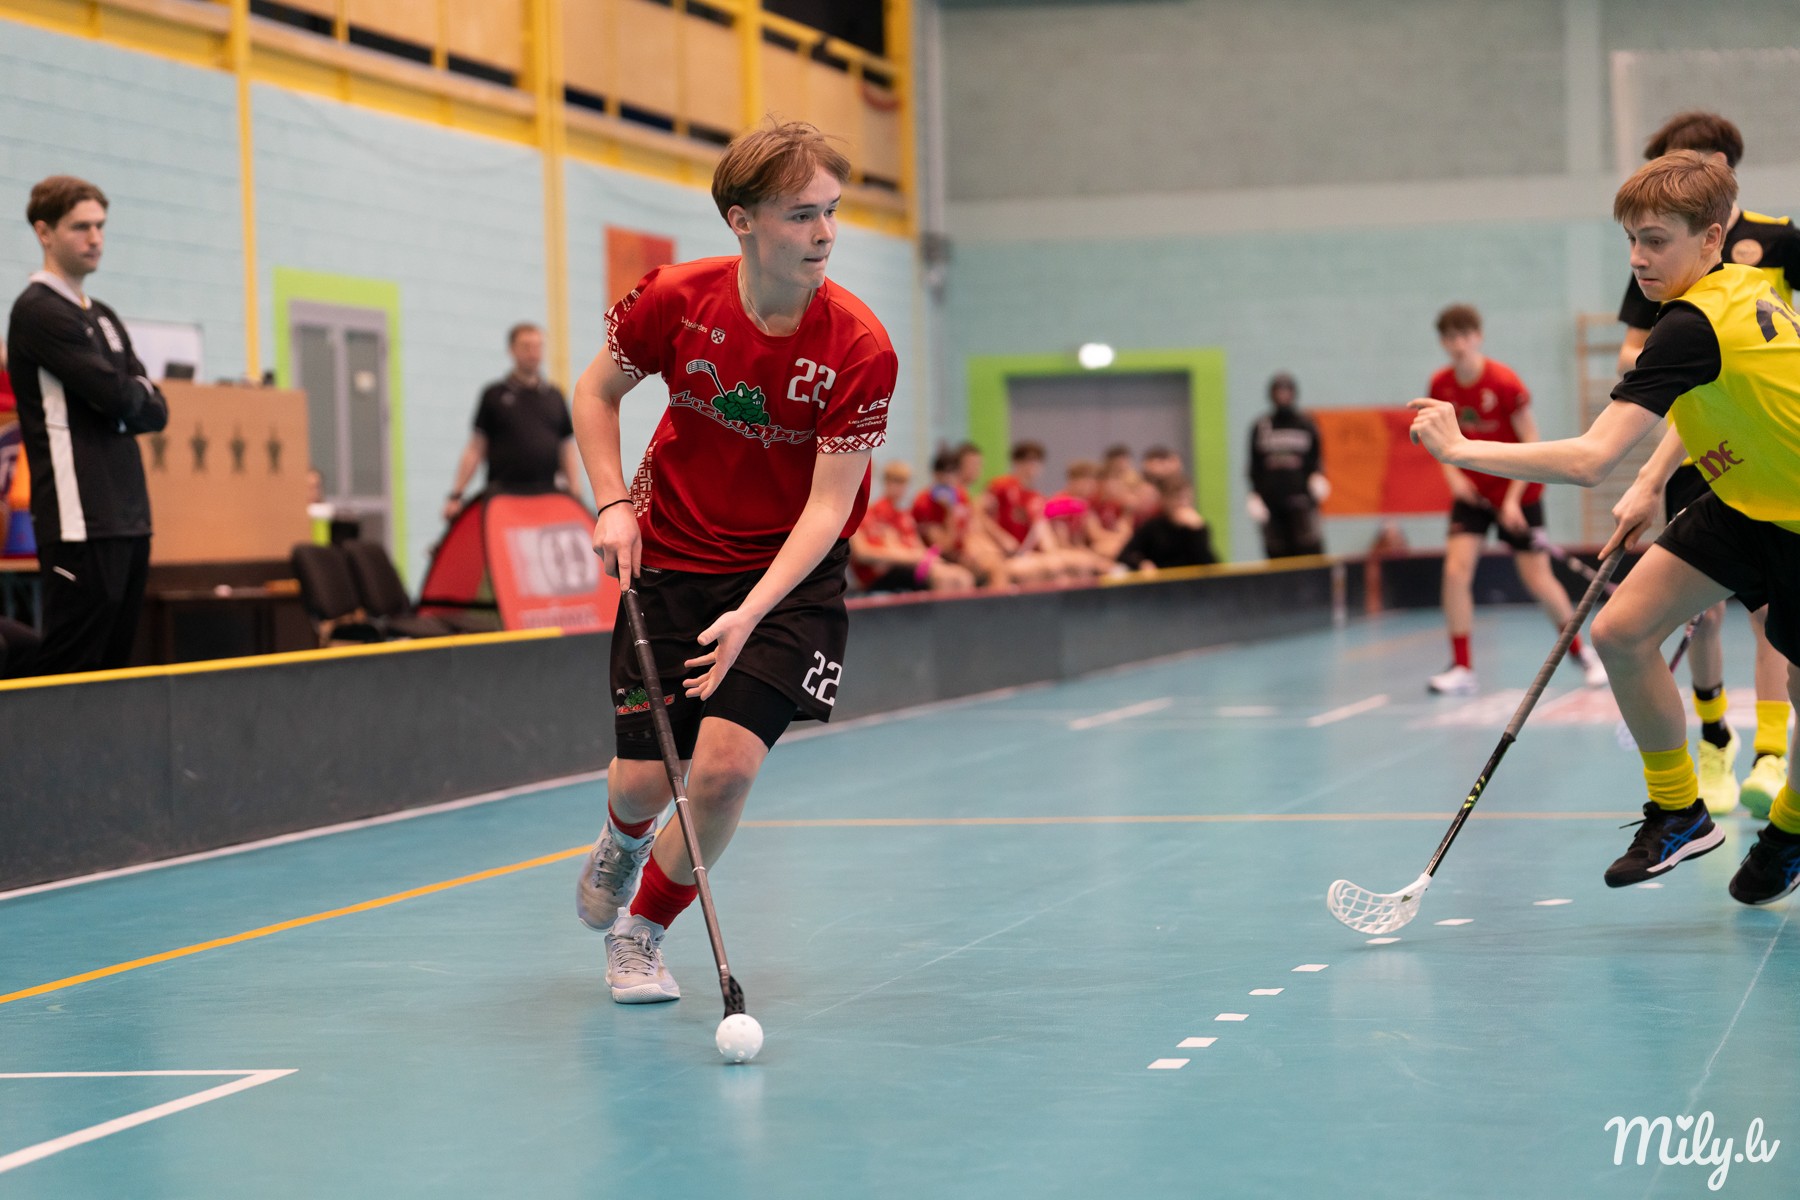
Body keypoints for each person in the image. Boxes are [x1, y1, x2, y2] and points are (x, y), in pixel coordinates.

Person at [1408, 150, 1800, 903]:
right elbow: (1714, 397)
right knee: (1621, 632)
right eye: (1631, 240)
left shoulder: (1691, 324)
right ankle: (1681, 812)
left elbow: (1590, 460)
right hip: (1742, 504)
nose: (1637, 259)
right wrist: (1651, 482)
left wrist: (1460, 450)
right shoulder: (1741, 288)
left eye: (1656, 241)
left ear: (1711, 239)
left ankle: (1790, 832)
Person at [568, 121, 897, 1003]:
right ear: (741, 220)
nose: (825, 234)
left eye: (832, 211)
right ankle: (623, 836)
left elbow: (829, 508)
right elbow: (595, 392)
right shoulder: (676, 300)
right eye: (802, 215)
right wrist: (612, 502)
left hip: (789, 578)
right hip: (674, 557)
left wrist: (754, 612)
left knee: (721, 773)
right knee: (645, 781)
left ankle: (642, 932)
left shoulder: (860, 347)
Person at [1613, 112, 1798, 817]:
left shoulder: (1774, 242)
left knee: (1770, 617)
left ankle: (1773, 754)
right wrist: (1650, 475)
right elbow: (1640, 351)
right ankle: (1714, 741)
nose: (1641, 252)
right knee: (1699, 617)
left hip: (1771, 444)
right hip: (1699, 434)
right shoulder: (1657, 259)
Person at [5, 175, 168, 676]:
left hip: (130, 517)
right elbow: (120, 394)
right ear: (44, 232)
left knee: (114, 670)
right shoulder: (38, 312)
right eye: (81, 227)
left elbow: (156, 410)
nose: (95, 238)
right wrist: (129, 396)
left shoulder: (105, 317)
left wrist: (129, 397)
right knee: (71, 670)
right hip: (79, 520)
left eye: (100, 226)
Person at [1422, 303, 1606, 694]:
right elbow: (1437, 441)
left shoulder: (1504, 383)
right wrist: (1453, 478)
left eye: (1464, 335)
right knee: (1455, 572)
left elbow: (1531, 441)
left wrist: (1510, 501)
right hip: (1473, 494)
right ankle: (1462, 667)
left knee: (1537, 578)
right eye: (1450, 337)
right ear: (1443, 342)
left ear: (1477, 337)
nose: (1458, 344)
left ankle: (1582, 654)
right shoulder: (1440, 386)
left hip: (1518, 490)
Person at [443, 322, 584, 522]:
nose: (533, 353)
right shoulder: (493, 395)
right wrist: (456, 495)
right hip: (504, 497)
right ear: (512, 350)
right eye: (526, 346)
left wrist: (575, 493)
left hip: (547, 496)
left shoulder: (554, 396)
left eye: (538, 346)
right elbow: (475, 448)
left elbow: (566, 448)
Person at [849, 460, 974, 593]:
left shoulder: (904, 517)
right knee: (943, 578)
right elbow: (866, 553)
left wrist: (930, 559)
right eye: (895, 481)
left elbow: (919, 547)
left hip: (907, 566)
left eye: (903, 483)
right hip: (885, 573)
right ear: (885, 482)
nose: (899, 488)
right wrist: (912, 557)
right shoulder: (871, 513)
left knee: (962, 575)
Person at [1247, 371, 1328, 558]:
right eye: (1278, 391)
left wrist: (1318, 477)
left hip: (1302, 502)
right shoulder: (1261, 426)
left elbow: (1316, 457)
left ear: (1293, 393)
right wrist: (1254, 494)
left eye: (1286, 391)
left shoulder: (1306, 424)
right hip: (1272, 505)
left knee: (1308, 548)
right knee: (1277, 552)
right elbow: (1254, 465)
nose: (1283, 396)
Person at [1118, 474, 1217, 572]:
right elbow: (1125, 555)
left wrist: (1197, 531)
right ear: (1164, 500)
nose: (1182, 503)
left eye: (1186, 498)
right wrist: (1141, 563)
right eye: (1177, 498)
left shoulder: (1197, 527)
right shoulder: (1153, 527)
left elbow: (1210, 564)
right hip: (1161, 580)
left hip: (1192, 580)